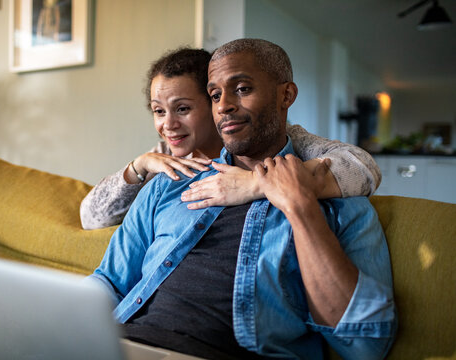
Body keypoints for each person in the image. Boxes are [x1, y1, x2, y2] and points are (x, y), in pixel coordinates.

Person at [86, 39, 396, 360]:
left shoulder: (339, 200)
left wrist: (296, 202)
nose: (223, 106)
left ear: (285, 95)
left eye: (243, 89)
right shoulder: (168, 183)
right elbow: (109, 279)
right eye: (216, 95)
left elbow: (367, 346)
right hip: (123, 342)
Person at [80, 48, 381, 229]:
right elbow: (92, 218)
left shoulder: (277, 142)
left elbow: (363, 167)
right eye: (159, 111)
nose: (168, 124)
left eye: (182, 109)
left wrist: (256, 183)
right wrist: (138, 166)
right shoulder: (165, 157)